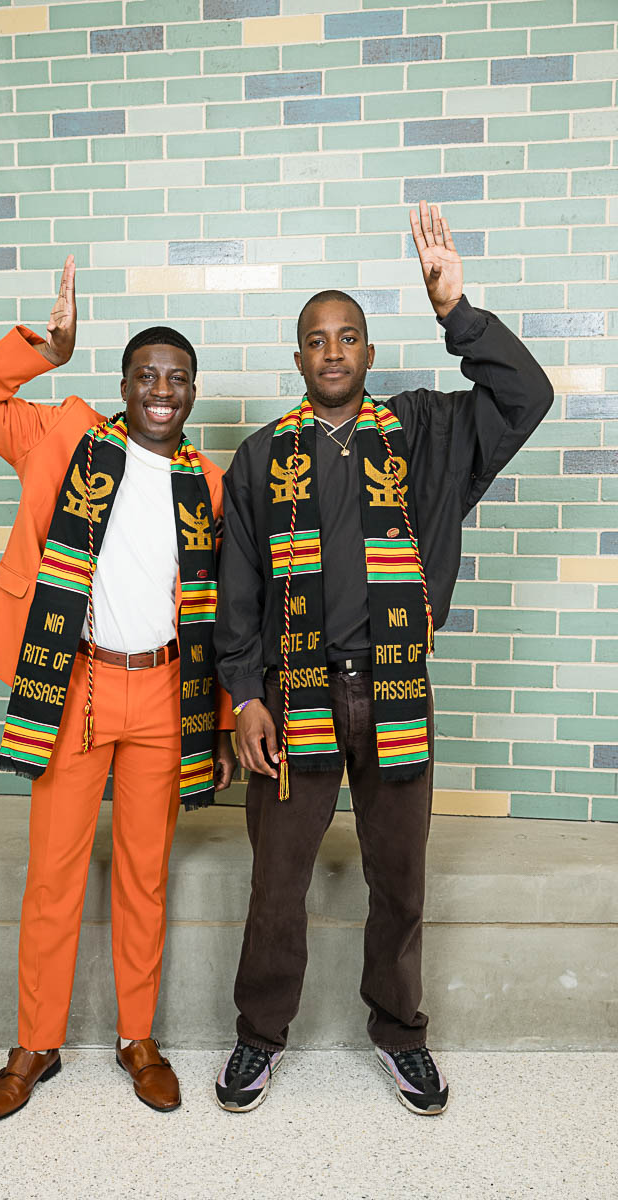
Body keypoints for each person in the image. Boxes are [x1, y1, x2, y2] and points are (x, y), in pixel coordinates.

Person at [213, 201, 553, 1116]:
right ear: (298, 360)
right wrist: (245, 695)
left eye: (348, 337)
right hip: (295, 698)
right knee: (276, 884)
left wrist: (457, 312)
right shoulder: (261, 458)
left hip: (396, 691)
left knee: (399, 880)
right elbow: (236, 591)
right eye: (316, 340)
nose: (333, 352)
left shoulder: (428, 434)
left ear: (369, 351)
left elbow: (527, 398)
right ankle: (259, 1036)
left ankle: (401, 1035)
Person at [0, 257, 236, 1121]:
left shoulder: (207, 483)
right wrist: (44, 351)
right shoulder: (65, 436)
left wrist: (217, 721)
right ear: (123, 384)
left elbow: (224, 608)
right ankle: (35, 1045)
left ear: (192, 392)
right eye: (146, 375)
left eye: (176, 379)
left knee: (144, 876)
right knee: (54, 875)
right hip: (77, 686)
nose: (161, 391)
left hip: (165, 694)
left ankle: (138, 1039)